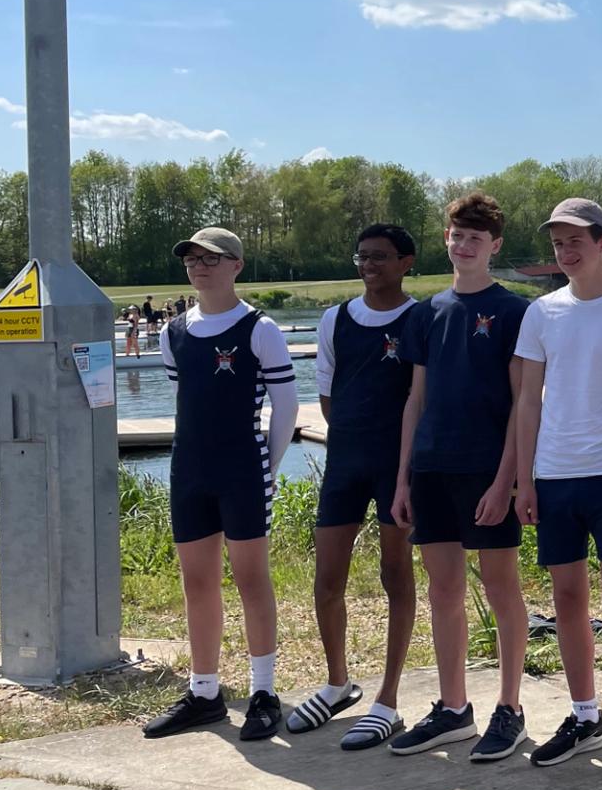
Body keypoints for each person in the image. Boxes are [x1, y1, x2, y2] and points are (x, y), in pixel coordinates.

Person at [513, 198, 602, 774]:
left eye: (576, 240)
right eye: (557, 243)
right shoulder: (541, 313)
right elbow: (528, 400)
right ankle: (584, 716)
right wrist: (524, 480)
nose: (566, 252)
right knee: (568, 601)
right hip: (554, 477)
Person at [141, 227, 299, 741]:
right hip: (189, 469)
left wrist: (267, 470)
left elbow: (287, 409)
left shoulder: (260, 328)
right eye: (191, 257)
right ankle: (204, 691)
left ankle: (263, 692)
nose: (199, 265)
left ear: (236, 265)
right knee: (197, 582)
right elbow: (183, 396)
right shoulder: (173, 332)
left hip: (242, 470)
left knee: (252, 580)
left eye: (212, 258)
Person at [389, 192, 531, 761]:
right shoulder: (425, 313)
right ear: (446, 239)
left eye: (476, 237)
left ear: (494, 246)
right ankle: (453, 709)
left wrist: (507, 481)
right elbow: (415, 399)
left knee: (501, 588)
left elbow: (525, 403)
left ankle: (510, 709)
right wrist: (402, 479)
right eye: (456, 235)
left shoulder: (516, 311)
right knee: (443, 589)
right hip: (432, 469)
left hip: (486, 469)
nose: (464, 245)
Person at [287, 224, 419, 750]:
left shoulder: (421, 318)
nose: (369, 265)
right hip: (346, 463)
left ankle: (387, 699)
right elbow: (327, 395)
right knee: (327, 580)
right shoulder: (334, 319)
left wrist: (408, 469)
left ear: (406, 262)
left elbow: (421, 398)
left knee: (395, 574)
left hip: (397, 468)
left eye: (381, 257)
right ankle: (338, 682)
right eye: (362, 256)